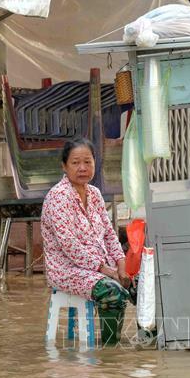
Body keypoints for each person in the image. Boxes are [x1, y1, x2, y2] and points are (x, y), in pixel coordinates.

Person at [41, 138, 133, 345]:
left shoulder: (95, 193)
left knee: (141, 286)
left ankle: (151, 345)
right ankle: (110, 350)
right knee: (112, 292)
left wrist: (121, 266)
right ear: (64, 166)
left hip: (101, 267)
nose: (82, 168)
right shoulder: (58, 197)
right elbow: (69, 245)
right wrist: (106, 271)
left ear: (94, 163)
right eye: (75, 163)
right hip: (67, 270)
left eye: (87, 161)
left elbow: (109, 234)